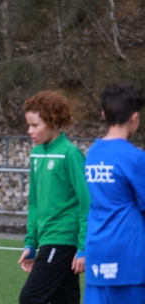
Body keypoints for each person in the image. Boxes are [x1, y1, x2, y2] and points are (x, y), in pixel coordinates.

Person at [17, 90, 90, 304]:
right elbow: (35, 202)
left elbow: (87, 203)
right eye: (28, 125)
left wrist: (84, 247)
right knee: (66, 300)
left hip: (62, 239)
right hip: (48, 238)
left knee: (30, 298)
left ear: (53, 122)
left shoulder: (70, 154)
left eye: (35, 125)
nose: (29, 131)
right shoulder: (37, 154)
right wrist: (31, 242)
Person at [83, 83, 145, 303]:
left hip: (97, 250)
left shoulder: (92, 154)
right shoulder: (135, 158)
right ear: (134, 117)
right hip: (128, 254)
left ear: (103, 114)